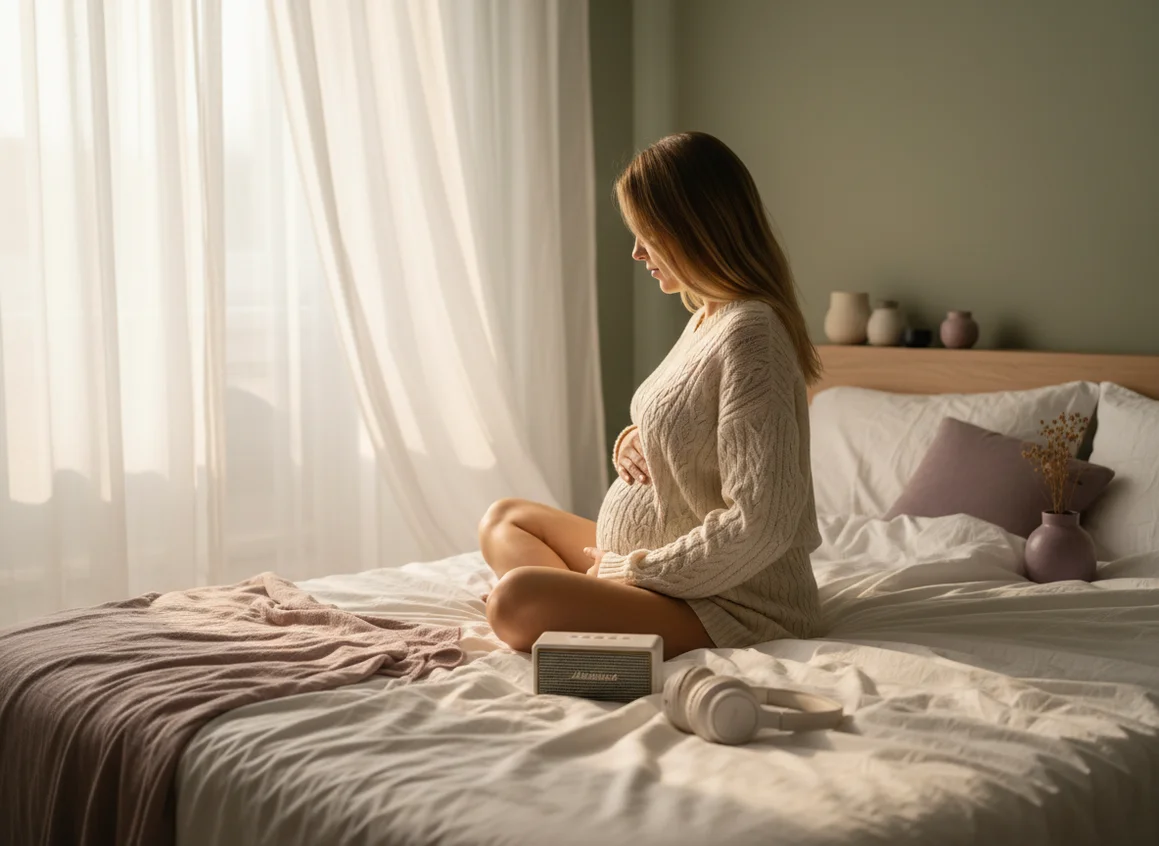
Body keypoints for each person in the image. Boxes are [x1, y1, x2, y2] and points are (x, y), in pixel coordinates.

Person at [478, 131, 824, 660]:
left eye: (649, 236)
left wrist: (632, 573)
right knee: (505, 518)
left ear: (696, 230)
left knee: (513, 603)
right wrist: (636, 441)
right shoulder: (707, 317)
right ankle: (584, 603)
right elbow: (692, 423)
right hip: (653, 564)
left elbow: (764, 522)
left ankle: (581, 603)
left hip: (730, 603)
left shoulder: (752, 332)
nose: (637, 253)